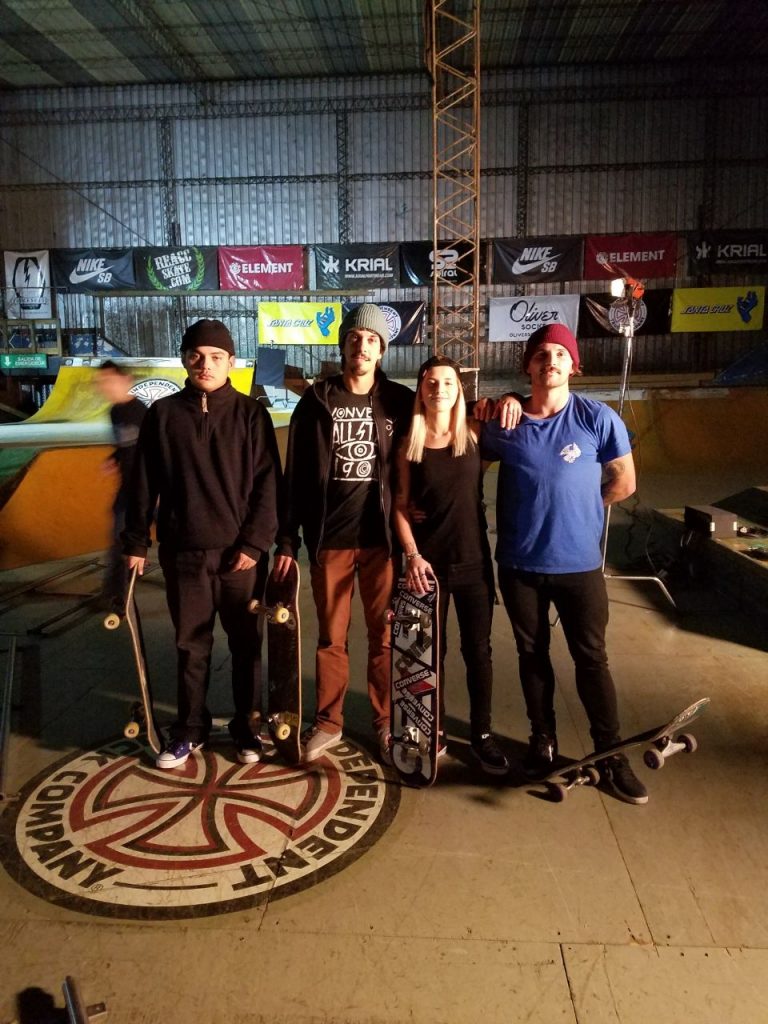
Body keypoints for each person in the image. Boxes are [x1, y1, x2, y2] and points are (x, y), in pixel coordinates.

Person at [481, 322, 648, 804]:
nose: (550, 361)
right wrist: (497, 400)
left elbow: (625, 482)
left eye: (559, 354)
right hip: (520, 565)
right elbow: (464, 459)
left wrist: (583, 508)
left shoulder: (598, 417)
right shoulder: (505, 422)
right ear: (527, 366)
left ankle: (610, 753)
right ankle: (543, 741)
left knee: (591, 658)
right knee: (531, 655)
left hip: (579, 566)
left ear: (573, 365)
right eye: (541, 354)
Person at [122, 319, 282, 770]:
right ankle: (190, 728)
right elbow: (143, 483)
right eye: (196, 356)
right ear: (184, 360)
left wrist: (254, 544)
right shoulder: (163, 415)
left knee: (246, 646)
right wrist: (136, 541)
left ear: (231, 362)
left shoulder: (251, 415)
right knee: (191, 647)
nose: (204, 364)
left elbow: (269, 486)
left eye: (215, 357)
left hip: (240, 559)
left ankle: (247, 727)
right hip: (185, 555)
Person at [274, 303, 413, 764]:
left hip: (380, 542)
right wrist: (288, 539)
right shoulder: (316, 402)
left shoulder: (398, 401)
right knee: (331, 638)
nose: (362, 346)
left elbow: (436, 437)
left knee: (384, 636)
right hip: (330, 539)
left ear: (382, 350)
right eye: (355, 338)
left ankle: (385, 721)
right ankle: (329, 722)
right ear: (343, 345)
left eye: (372, 340)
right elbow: (294, 477)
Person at [393, 355, 511, 775]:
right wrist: (412, 555)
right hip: (428, 567)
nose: (438, 389)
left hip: (473, 562)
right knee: (430, 654)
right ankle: (434, 727)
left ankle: (482, 734)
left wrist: (508, 398)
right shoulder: (410, 442)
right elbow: (400, 506)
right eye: (430, 382)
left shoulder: (475, 433)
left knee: (479, 651)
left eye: (447, 382)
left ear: (459, 389)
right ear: (421, 390)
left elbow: (512, 411)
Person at [94, 360, 147, 615]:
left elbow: (156, 451)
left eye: (109, 381)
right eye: (101, 383)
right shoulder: (114, 412)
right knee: (120, 542)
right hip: (127, 490)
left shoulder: (141, 412)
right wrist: (113, 459)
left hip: (150, 490)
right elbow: (125, 447)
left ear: (125, 380)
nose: (105, 387)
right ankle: (117, 597)